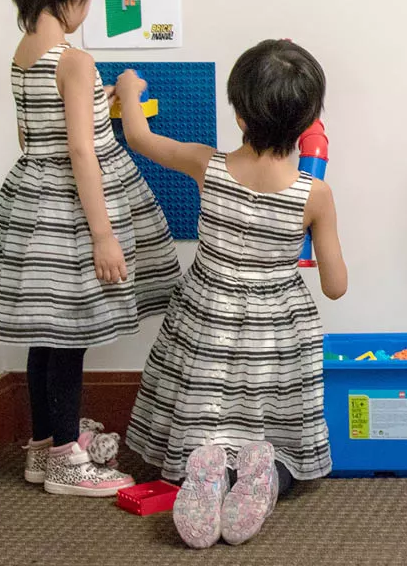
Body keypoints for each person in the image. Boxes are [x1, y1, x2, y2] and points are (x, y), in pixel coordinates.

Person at [118, 39, 347, 546]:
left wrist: (130, 89)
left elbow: (139, 136)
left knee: (210, 405)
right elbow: (335, 286)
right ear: (308, 121)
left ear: (240, 116)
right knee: (271, 422)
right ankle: (264, 473)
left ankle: (209, 469)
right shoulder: (315, 194)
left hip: (208, 314)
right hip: (277, 328)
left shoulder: (208, 165)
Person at [0, 0, 181, 496]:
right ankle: (68, 461)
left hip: (33, 200)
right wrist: (103, 235)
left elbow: (31, 135)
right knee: (71, 335)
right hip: (72, 212)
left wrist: (91, 99)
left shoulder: (23, 54)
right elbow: (81, 150)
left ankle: (44, 446)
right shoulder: (75, 60)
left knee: (45, 333)